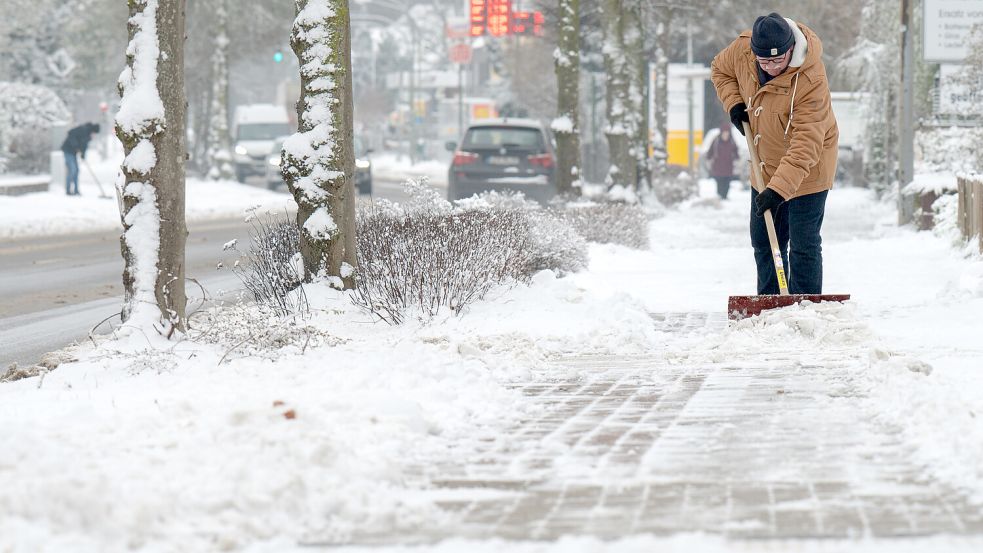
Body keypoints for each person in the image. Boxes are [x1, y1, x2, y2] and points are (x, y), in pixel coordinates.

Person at [710, 12, 838, 295]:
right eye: (764, 61)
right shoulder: (742, 51)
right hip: (764, 164)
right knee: (765, 241)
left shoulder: (810, 79)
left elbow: (806, 144)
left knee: (803, 243)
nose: (772, 66)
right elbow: (720, 69)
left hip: (809, 169)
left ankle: (804, 307)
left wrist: (779, 191)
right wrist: (734, 104)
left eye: (778, 59)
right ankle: (769, 304)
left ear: (791, 48)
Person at [60, 122, 100, 196]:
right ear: (92, 131)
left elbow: (84, 146)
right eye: (94, 133)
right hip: (68, 150)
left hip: (74, 153)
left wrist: (83, 155)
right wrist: (76, 146)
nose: (94, 135)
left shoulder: (88, 136)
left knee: (77, 170)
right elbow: (71, 134)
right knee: (73, 169)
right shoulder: (83, 129)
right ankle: (68, 190)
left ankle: (76, 190)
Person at [705, 122, 739, 200]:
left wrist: (737, 159)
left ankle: (725, 196)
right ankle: (720, 196)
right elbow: (710, 151)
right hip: (718, 167)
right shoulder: (716, 141)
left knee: (727, 183)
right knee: (719, 182)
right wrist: (708, 159)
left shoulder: (732, 141)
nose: (725, 135)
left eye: (727, 133)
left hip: (728, 167)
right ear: (721, 133)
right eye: (724, 133)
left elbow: (736, 151)